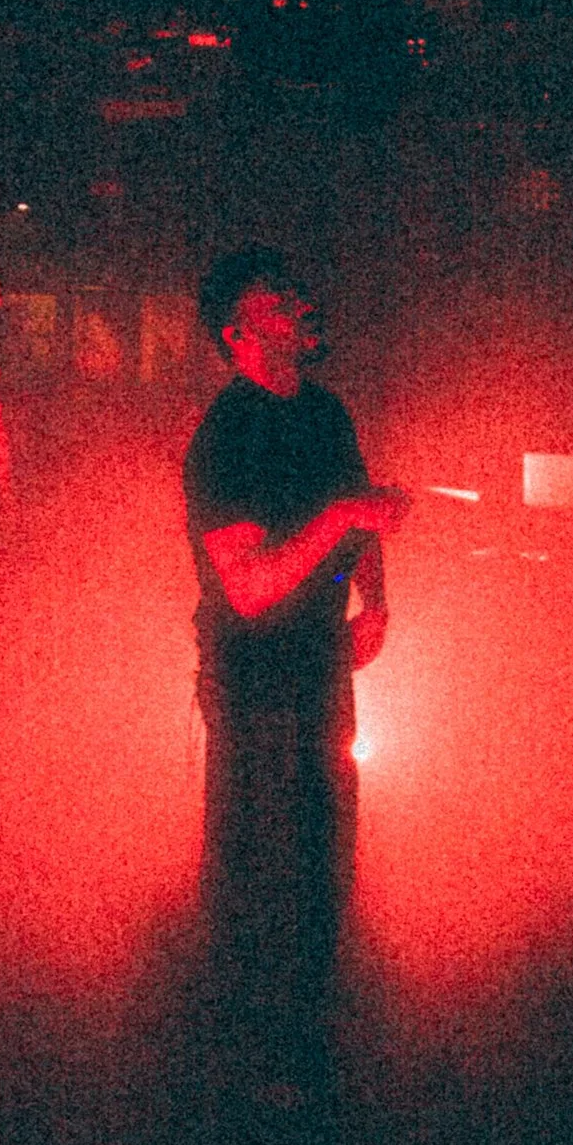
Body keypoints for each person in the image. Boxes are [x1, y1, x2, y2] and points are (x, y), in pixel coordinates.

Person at [183, 249, 408, 1037]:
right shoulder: (227, 439)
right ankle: (246, 1041)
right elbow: (248, 588)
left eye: (296, 289)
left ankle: (310, 1024)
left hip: (320, 666)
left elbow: (363, 505)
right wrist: (342, 521)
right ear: (238, 334)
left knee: (324, 849)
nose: (301, 303)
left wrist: (375, 597)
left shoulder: (326, 413)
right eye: (278, 299)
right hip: (255, 682)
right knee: (260, 860)